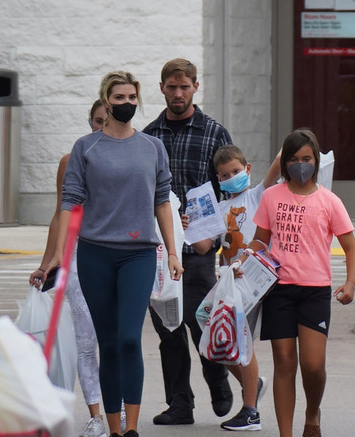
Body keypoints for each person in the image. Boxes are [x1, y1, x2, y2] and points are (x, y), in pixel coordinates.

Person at [47, 70, 184, 437]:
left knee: (128, 338)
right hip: (94, 255)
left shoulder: (152, 147)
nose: (126, 104)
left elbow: (162, 201)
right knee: (107, 343)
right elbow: (69, 203)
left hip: (138, 254)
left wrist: (172, 251)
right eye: (119, 98)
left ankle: (133, 427)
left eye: (132, 98)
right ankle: (114, 429)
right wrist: (59, 255)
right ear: (106, 102)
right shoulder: (85, 147)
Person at [242, 128, 355, 437]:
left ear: (316, 161)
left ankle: (312, 412)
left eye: (306, 158)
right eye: (293, 159)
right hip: (278, 290)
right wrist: (241, 258)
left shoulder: (329, 201)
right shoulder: (271, 197)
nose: (300, 165)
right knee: (283, 362)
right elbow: (260, 241)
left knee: (312, 365)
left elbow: (351, 247)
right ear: (285, 164)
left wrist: (350, 283)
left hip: (315, 292)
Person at [143, 58, 234, 425]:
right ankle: (180, 402)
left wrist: (216, 235)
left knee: (202, 320)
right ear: (162, 88)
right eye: (171, 87)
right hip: (160, 249)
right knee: (168, 328)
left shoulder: (214, 133)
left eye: (185, 87)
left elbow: (229, 188)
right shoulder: (149, 136)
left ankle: (219, 381)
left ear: (196, 87)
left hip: (199, 248)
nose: (178, 93)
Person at [188, 144, 281, 430]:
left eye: (237, 171)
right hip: (228, 279)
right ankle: (252, 385)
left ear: (248, 169)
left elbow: (279, 161)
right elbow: (204, 246)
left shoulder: (259, 195)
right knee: (207, 322)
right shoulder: (218, 209)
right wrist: (189, 226)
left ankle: (250, 410)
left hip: (252, 277)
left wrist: (292, 143)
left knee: (240, 338)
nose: (232, 177)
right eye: (225, 175)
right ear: (218, 179)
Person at [29, 99, 108, 437]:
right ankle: (96, 416)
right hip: (78, 255)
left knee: (118, 341)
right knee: (84, 338)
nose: (100, 126)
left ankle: (119, 413)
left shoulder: (134, 154)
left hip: (118, 254)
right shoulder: (71, 160)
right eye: (96, 120)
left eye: (106, 120)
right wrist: (49, 261)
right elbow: (60, 214)